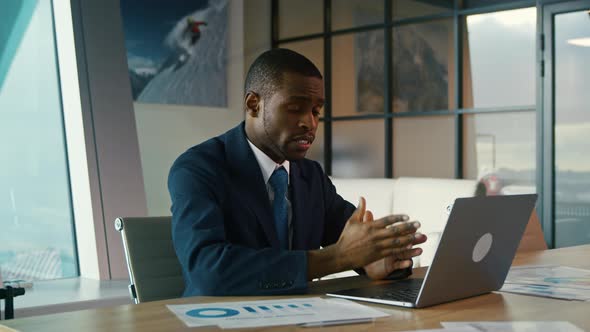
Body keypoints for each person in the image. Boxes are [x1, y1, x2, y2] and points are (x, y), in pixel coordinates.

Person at [168, 48, 427, 297]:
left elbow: (353, 241)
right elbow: (208, 271)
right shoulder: (198, 169)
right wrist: (338, 258)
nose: (310, 123)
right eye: (295, 109)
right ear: (253, 104)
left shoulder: (310, 175)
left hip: (300, 316)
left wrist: (378, 260)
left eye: (316, 111)